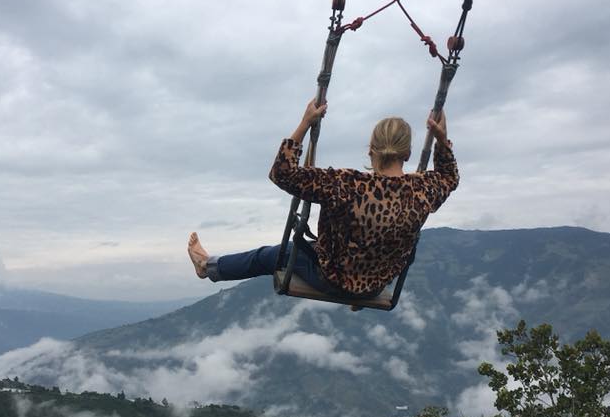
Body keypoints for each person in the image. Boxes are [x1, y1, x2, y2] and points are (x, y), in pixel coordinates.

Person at [188, 99, 458, 297]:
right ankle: (360, 293)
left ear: (371, 151)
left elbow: (281, 173)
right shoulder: (424, 189)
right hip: (377, 283)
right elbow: (450, 177)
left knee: (270, 255)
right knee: (405, 241)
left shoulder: (345, 184)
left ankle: (207, 267)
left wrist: (305, 123)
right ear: (408, 154)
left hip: (334, 279)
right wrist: (441, 139)